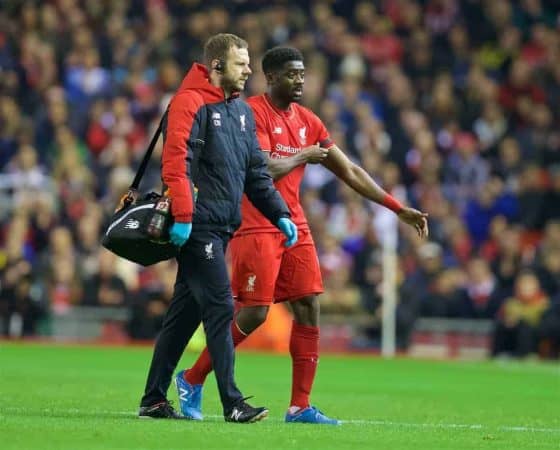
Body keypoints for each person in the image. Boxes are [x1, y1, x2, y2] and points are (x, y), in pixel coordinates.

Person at [175, 47, 429, 424]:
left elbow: (350, 170)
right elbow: (256, 170)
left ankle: (300, 405)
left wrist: (395, 206)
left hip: (294, 223)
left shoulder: (309, 121)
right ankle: (192, 378)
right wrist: (303, 156)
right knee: (255, 313)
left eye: (303, 74)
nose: (300, 81)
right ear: (272, 77)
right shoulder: (250, 114)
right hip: (257, 222)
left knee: (309, 304)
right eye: (292, 74)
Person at [138, 35, 298, 423]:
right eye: (241, 64)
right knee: (221, 306)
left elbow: (256, 173)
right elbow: (176, 163)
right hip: (198, 226)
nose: (248, 70)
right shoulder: (189, 103)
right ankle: (233, 403)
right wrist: (185, 217)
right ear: (216, 66)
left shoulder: (240, 112)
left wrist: (280, 213)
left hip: (221, 226)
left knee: (183, 316)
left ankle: (153, 400)